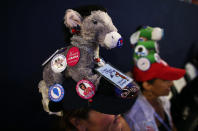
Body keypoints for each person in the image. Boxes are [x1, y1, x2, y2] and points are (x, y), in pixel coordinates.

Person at [124, 26, 186, 131]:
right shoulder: (137, 117)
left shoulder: (162, 98)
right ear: (147, 85)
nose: (171, 83)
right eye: (165, 79)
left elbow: (171, 125)